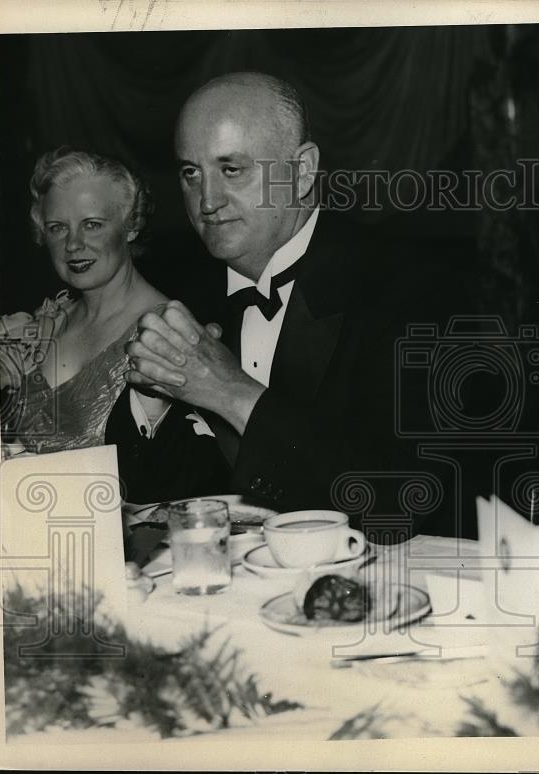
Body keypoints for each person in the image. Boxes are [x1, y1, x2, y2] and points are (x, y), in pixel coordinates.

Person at [125, 72, 449, 536]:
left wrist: (232, 393)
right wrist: (152, 400)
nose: (207, 201)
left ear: (301, 171)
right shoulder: (187, 299)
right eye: (190, 173)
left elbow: (404, 498)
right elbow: (153, 504)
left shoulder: (408, 285)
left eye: (231, 169)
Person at [0, 147, 229, 503]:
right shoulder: (46, 324)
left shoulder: (169, 333)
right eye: (57, 228)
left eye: (92, 224)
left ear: (131, 226)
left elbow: (189, 484)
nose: (73, 244)